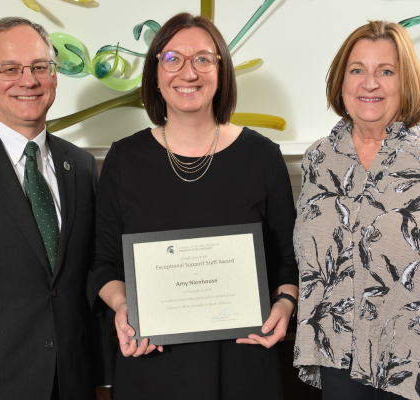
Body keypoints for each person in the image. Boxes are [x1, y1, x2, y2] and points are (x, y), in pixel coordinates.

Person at [88, 12, 299, 400]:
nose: (189, 73)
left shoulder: (263, 157)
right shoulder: (123, 160)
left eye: (203, 58)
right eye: (172, 59)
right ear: (154, 72)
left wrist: (285, 304)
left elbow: (288, 260)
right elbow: (104, 264)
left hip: (245, 365)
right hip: (152, 364)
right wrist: (122, 309)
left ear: (221, 71)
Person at [0, 17, 113, 400]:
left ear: (54, 75)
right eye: (10, 69)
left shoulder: (82, 166)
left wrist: (105, 379)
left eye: (39, 67)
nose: (28, 80)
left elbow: (87, 280)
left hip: (74, 384)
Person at [294, 20, 420, 400]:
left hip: (417, 367)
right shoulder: (318, 159)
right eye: (357, 70)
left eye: (385, 71)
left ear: (405, 82)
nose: (369, 83)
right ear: (341, 82)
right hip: (337, 358)